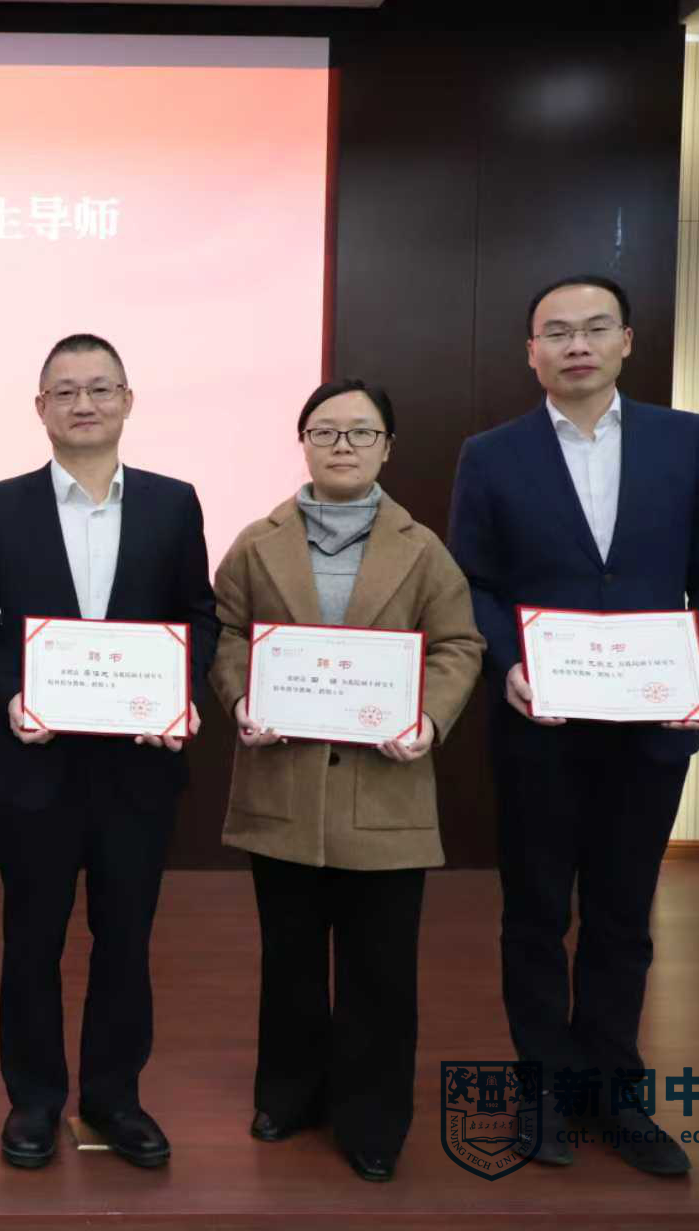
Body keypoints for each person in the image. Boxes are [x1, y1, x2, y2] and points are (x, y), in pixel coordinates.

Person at [448, 274, 699, 1177]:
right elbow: (472, 584)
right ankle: (542, 1088)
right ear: (531, 352)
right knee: (536, 914)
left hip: (652, 723)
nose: (576, 345)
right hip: (539, 723)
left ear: (626, 341)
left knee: (624, 914)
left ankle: (614, 1092)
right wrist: (511, 665)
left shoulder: (687, 440)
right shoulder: (489, 455)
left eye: (594, 328)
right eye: (557, 332)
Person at [0, 333, 218, 1170]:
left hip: (138, 765)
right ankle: (33, 1101)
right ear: (40, 408)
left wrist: (181, 692)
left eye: (100, 389)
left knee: (126, 939)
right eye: (64, 391)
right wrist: (10, 694)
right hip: (33, 762)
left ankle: (114, 1097)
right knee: (31, 940)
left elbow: (199, 615)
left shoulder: (174, 504)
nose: (83, 404)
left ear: (128, 401)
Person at [208, 379, 483, 1182]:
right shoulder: (256, 543)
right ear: (302, 443)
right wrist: (242, 697)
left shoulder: (423, 549)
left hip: (385, 790)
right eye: (325, 431)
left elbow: (459, 645)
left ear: (387, 448)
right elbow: (227, 634)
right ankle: (289, 1095)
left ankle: (373, 1120)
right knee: (289, 959)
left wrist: (427, 718)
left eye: (362, 432)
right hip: (284, 786)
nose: (342, 445)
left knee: (380, 970)